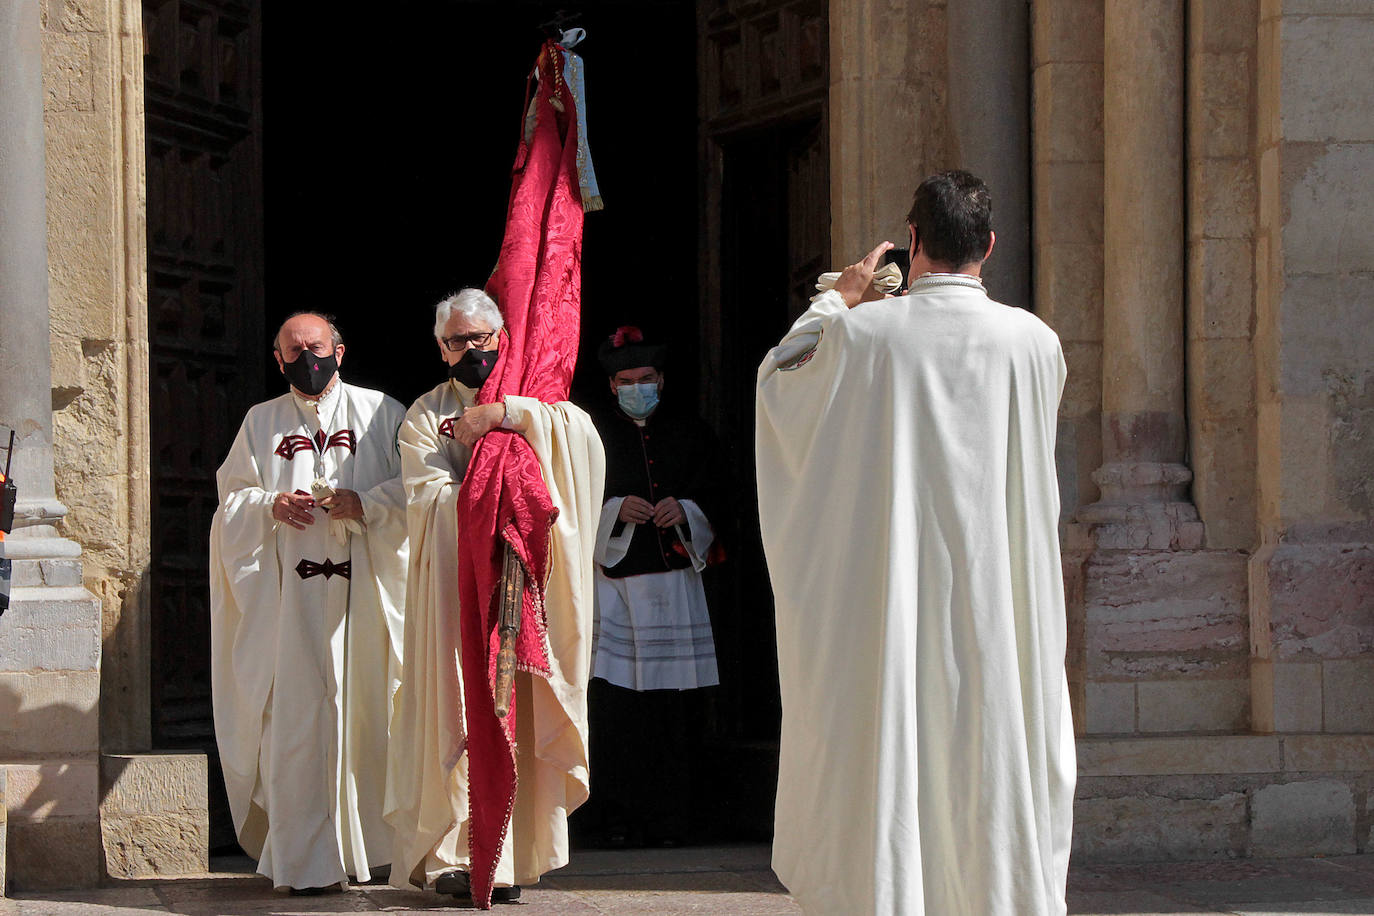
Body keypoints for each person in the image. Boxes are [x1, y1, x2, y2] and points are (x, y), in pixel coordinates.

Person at [755, 170, 1075, 915]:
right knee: (991, 754)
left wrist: (840, 297)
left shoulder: (860, 335)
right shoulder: (1036, 342)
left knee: (894, 747)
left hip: (892, 599)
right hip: (1000, 604)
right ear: (989, 247)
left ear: (914, 241)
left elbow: (779, 379)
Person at [387, 289, 604, 902]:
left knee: (521, 706)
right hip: (457, 594)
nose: (473, 350)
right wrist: (492, 497)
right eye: (460, 341)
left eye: (483, 338)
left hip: (522, 584)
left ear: (501, 338)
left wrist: (508, 417)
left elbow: (581, 445)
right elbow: (425, 496)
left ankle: (511, 856)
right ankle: (455, 855)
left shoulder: (536, 403)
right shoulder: (426, 416)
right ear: (441, 347)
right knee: (457, 708)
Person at [209, 311, 408, 894]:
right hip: (290, 604)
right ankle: (304, 860)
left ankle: (369, 850)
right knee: (295, 723)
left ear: (339, 351)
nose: (306, 358)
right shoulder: (260, 421)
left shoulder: (382, 413)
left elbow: (416, 493)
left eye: (315, 346)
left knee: (368, 713)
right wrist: (268, 505)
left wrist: (365, 503)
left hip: (364, 600)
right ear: (277, 359)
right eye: (292, 350)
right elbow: (230, 503)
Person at [584, 327, 726, 845]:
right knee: (617, 709)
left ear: (661, 379)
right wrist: (613, 511)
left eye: (645, 378)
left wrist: (686, 511)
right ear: (612, 385)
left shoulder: (691, 432)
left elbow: (722, 496)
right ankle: (616, 820)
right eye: (626, 380)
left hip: (676, 591)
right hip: (616, 592)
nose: (636, 387)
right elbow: (568, 504)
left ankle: (675, 819)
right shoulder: (592, 437)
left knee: (675, 709)